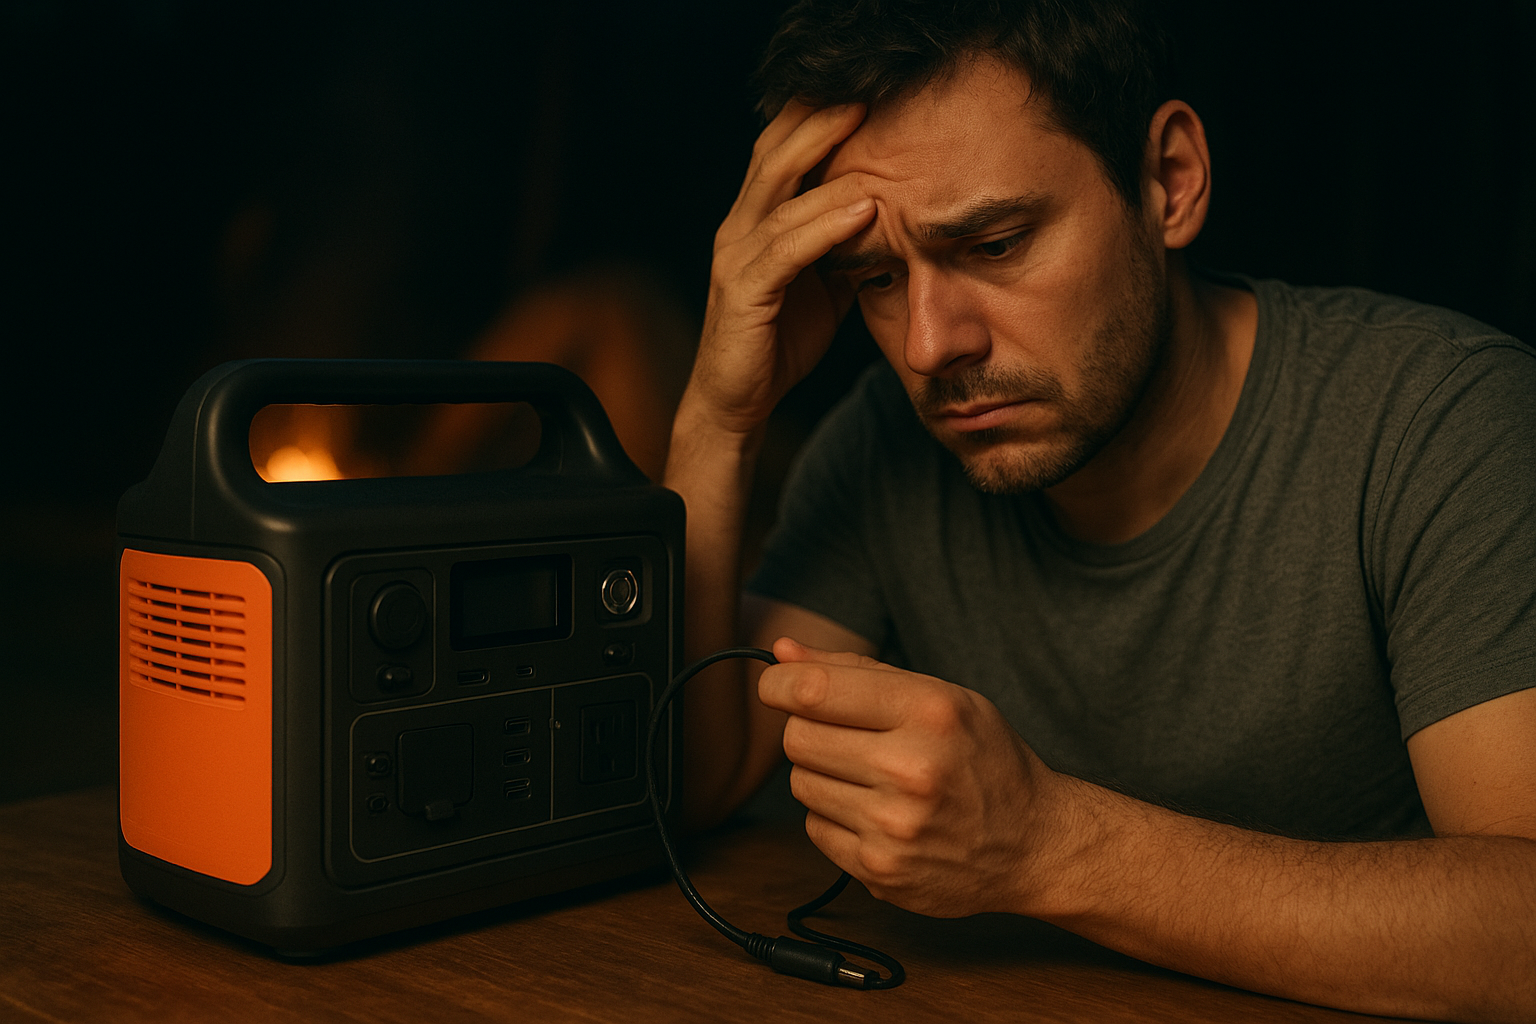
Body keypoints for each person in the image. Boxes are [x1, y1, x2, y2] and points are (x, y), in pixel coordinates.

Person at [662, 0, 1536, 1019]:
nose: (930, 346)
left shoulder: (1441, 419)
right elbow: (697, 778)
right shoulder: (882, 446)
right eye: (880, 278)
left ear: (1169, 180)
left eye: (994, 242)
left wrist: (1045, 845)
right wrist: (719, 419)